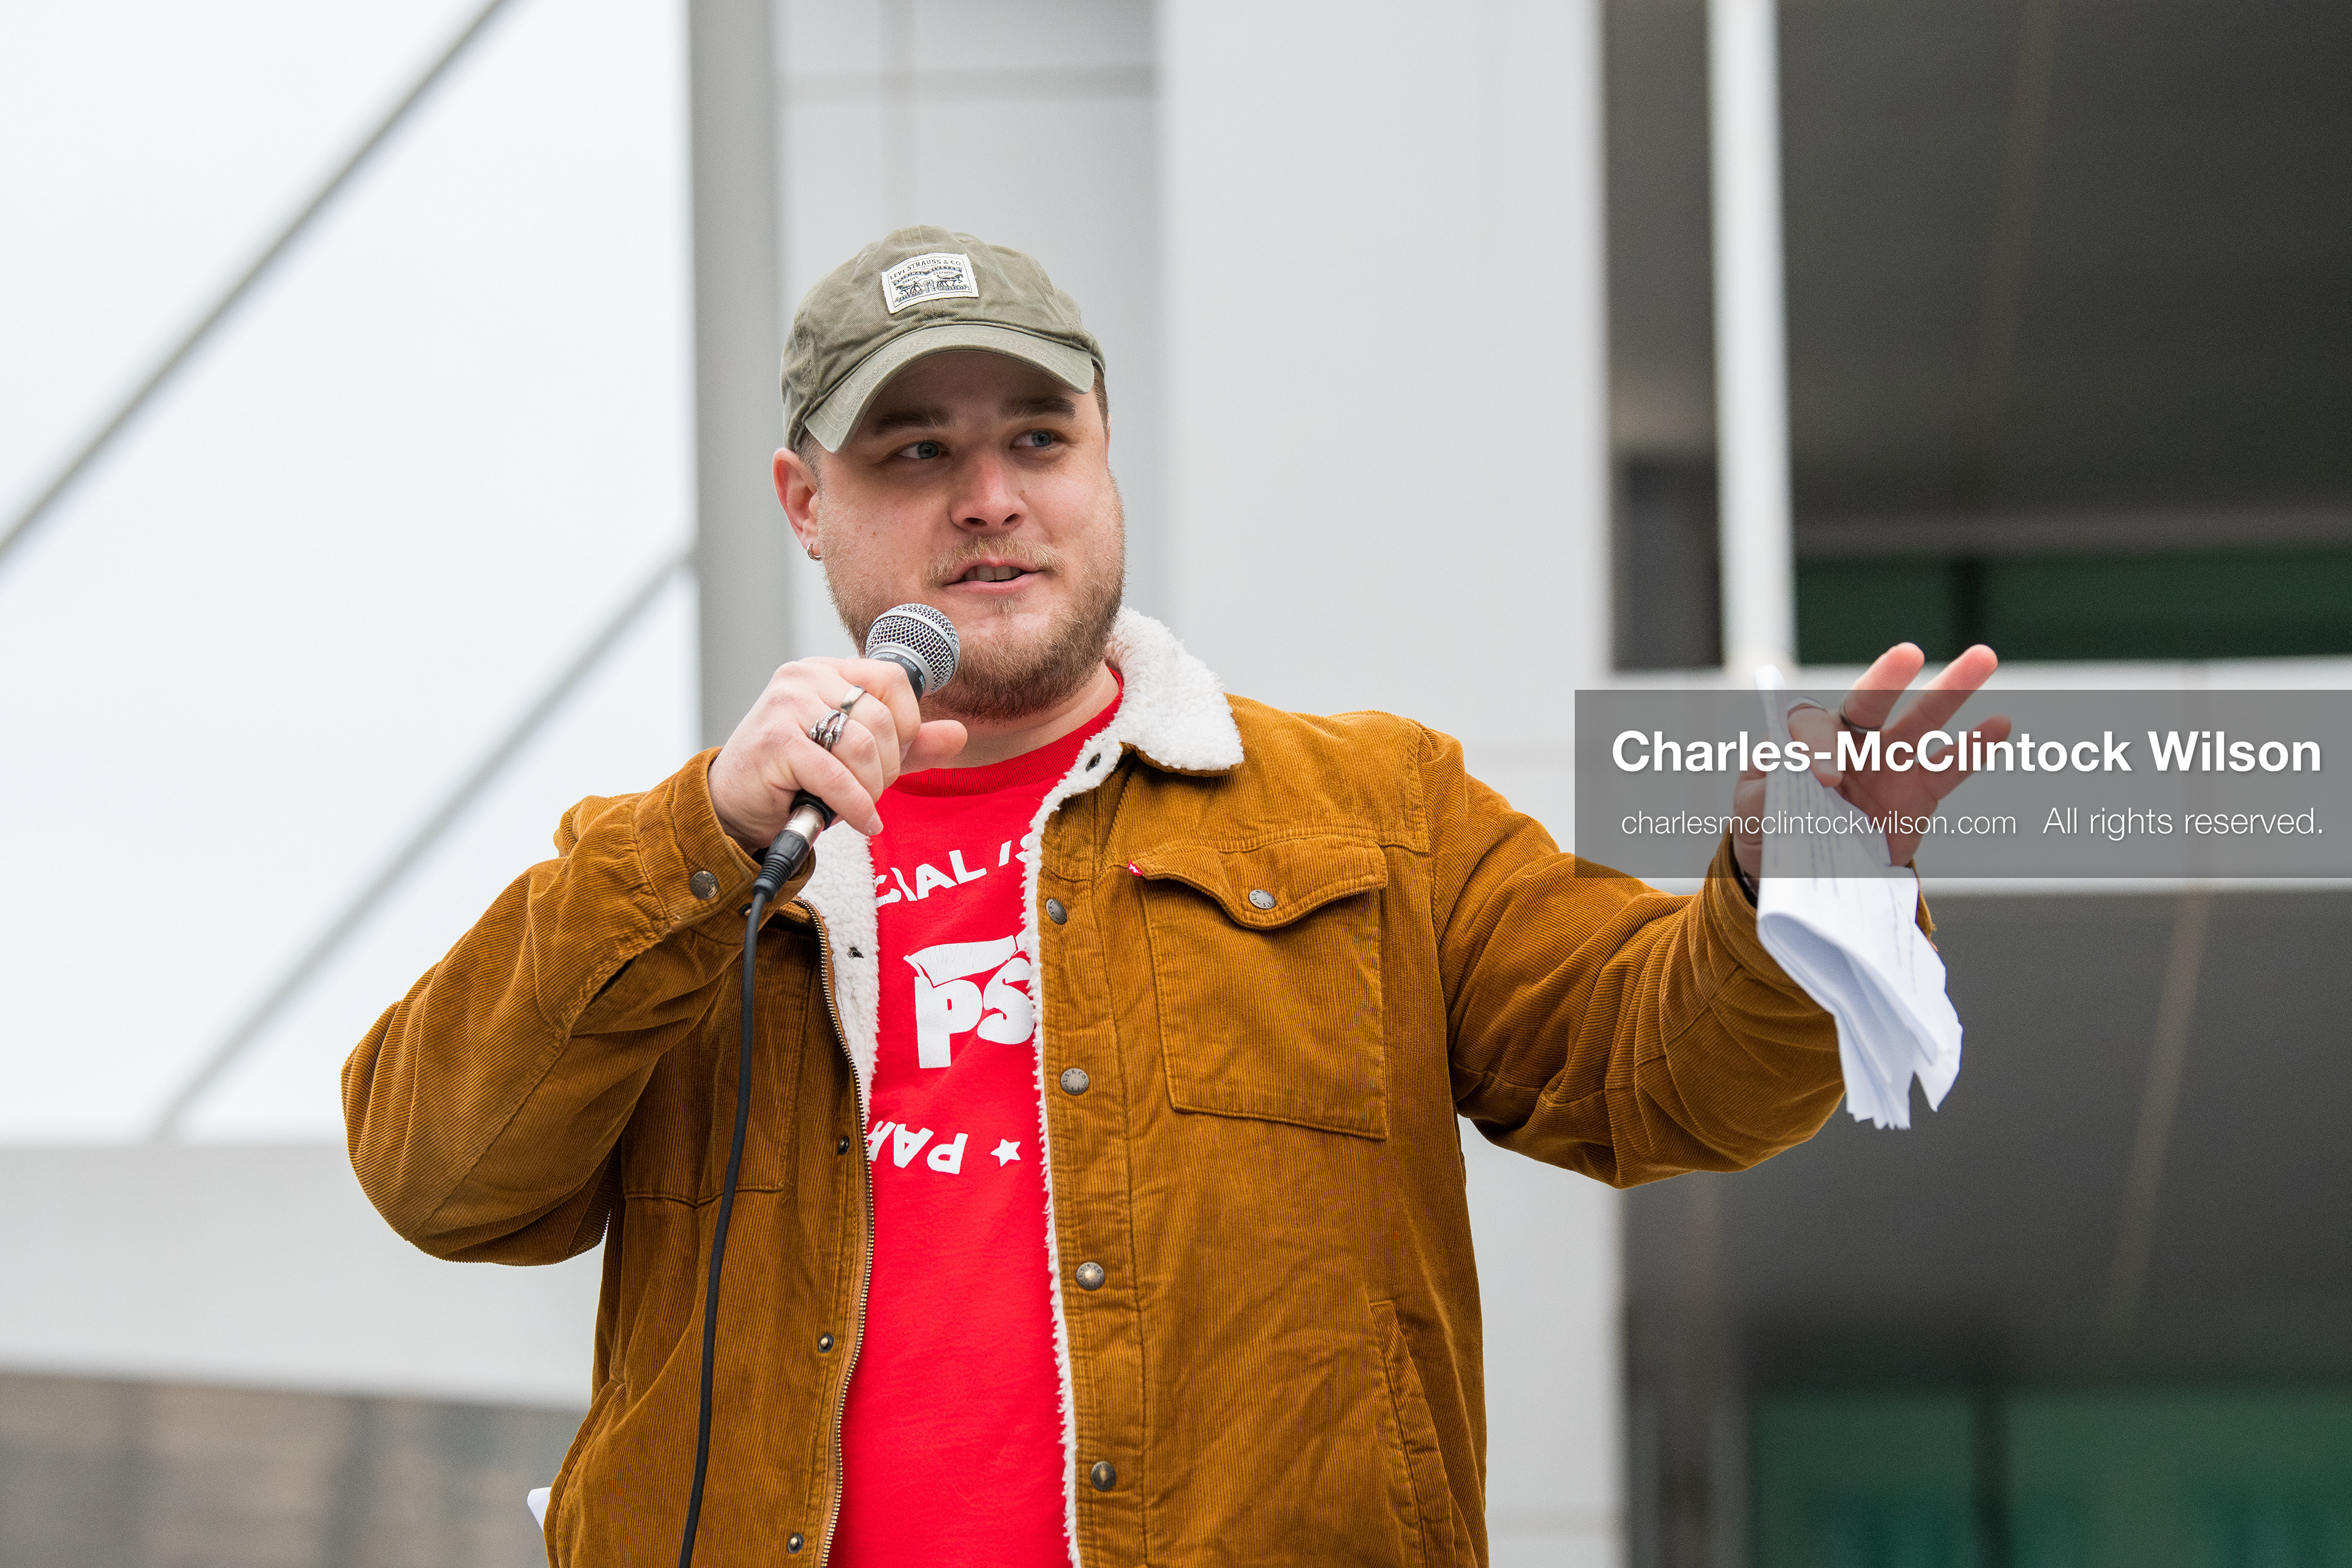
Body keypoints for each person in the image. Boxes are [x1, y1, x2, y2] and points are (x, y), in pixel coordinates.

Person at [342, 226, 2000, 1567]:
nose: (989, 497)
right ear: (806, 504)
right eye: (916, 451)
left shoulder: (1372, 814)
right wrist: (694, 847)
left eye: (1037, 440)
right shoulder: (703, 870)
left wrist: (1809, 878)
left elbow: (1662, 1076)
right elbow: (438, 1172)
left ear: (1104, 456)